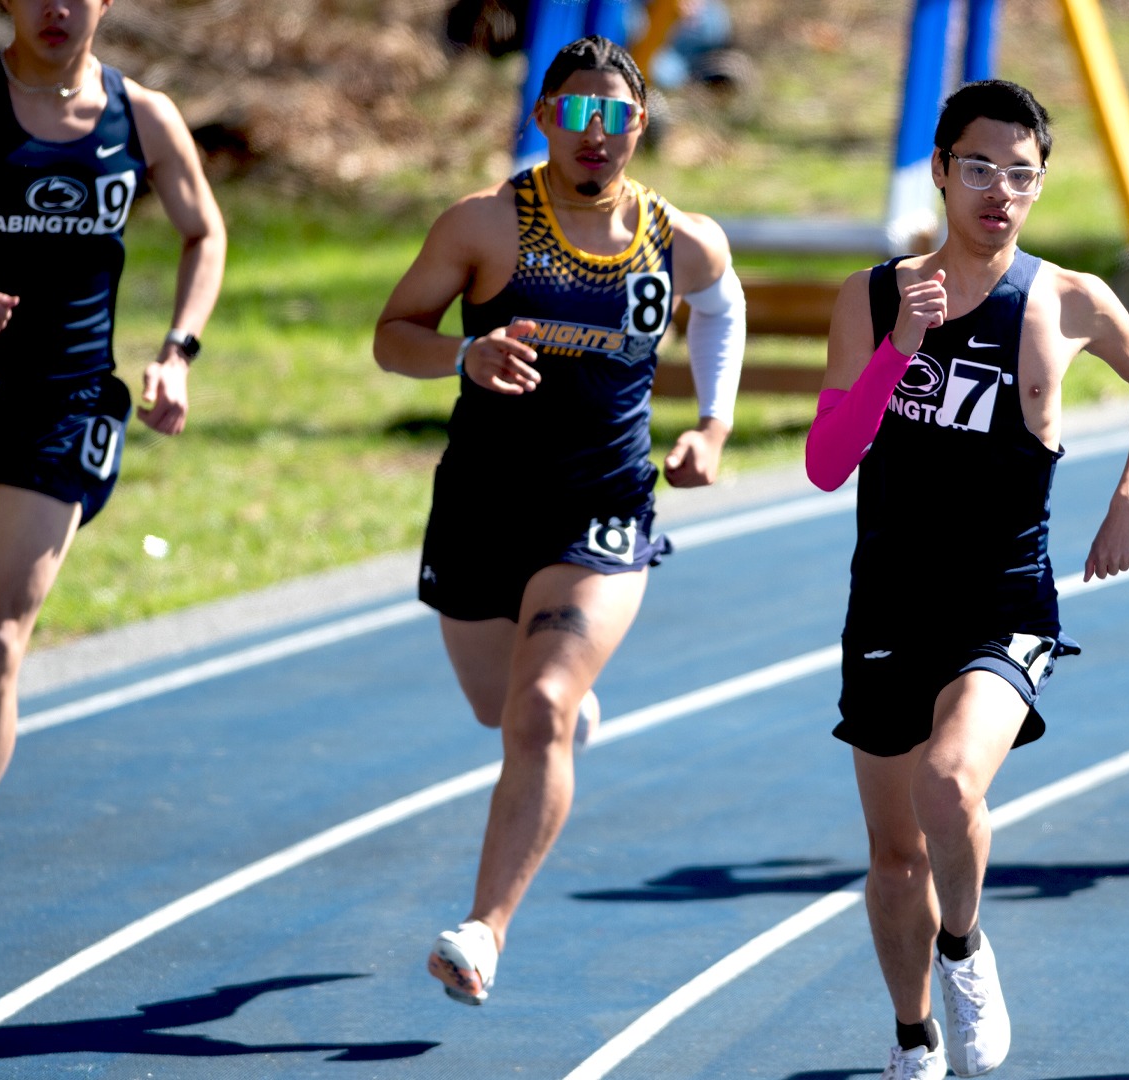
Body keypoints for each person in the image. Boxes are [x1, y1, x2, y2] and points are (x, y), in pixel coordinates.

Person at [807, 80, 1129, 1080]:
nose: (999, 193)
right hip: (888, 602)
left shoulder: (1066, 301)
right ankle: (913, 1033)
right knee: (895, 860)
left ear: (1040, 185)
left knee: (947, 780)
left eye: (1022, 175)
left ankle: (965, 949)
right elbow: (828, 462)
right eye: (979, 169)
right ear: (940, 170)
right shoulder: (873, 298)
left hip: (1003, 602)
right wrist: (897, 355)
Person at [373, 35, 744, 1005]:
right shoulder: (485, 226)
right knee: (502, 711)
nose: (596, 133)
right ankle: (561, 707)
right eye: (576, 113)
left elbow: (720, 308)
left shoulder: (679, 235)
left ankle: (484, 929)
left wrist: (712, 422)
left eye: (616, 115)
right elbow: (391, 336)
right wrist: (465, 354)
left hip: (603, 509)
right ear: (543, 120)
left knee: (538, 711)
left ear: (640, 126)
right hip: (482, 508)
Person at [0, 0, 226, 804]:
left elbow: (205, 231)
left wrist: (178, 352)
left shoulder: (141, 115)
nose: (56, 8)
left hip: (64, 398)